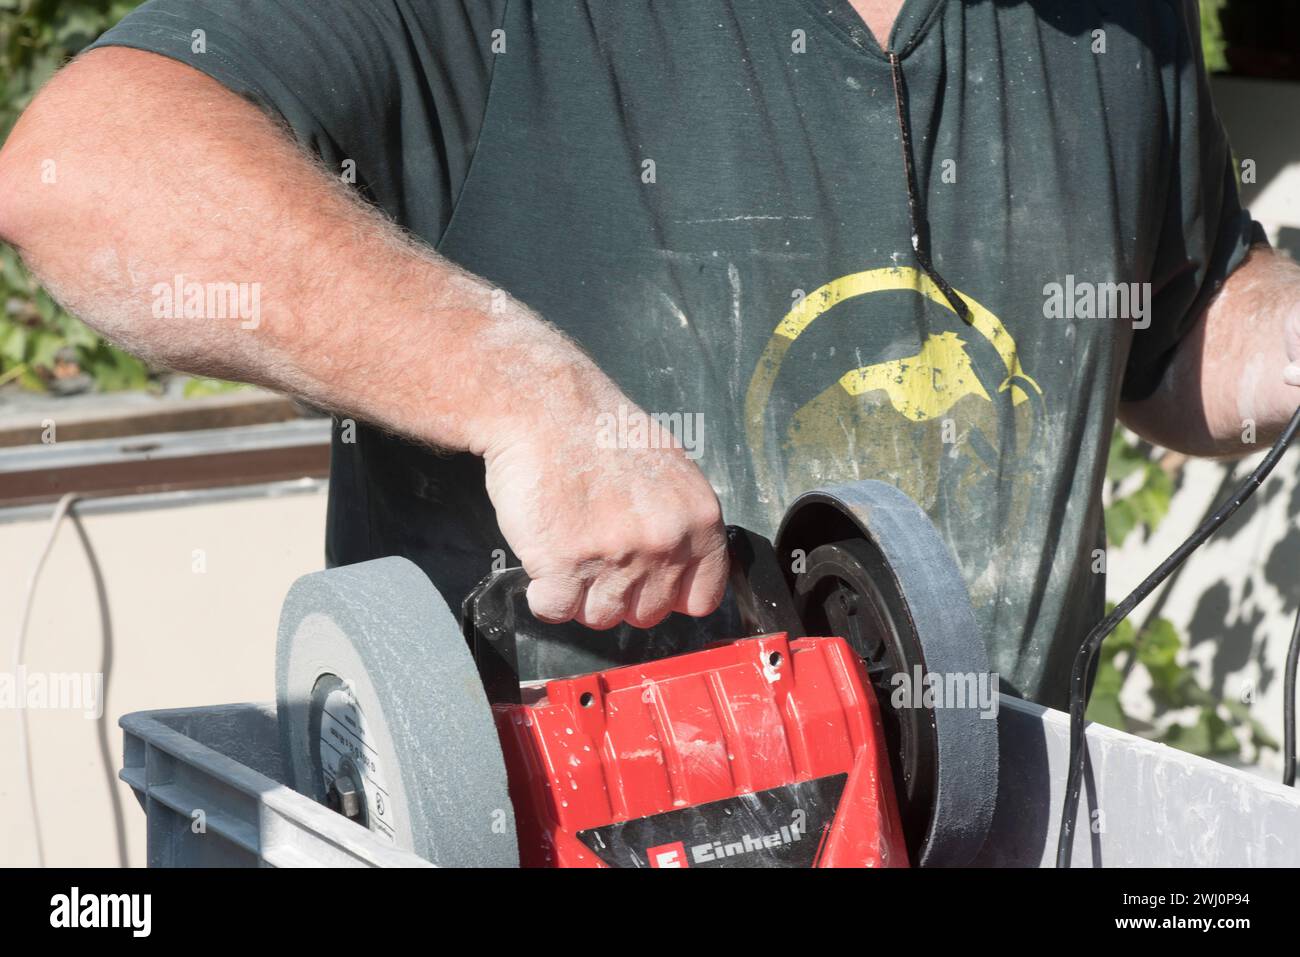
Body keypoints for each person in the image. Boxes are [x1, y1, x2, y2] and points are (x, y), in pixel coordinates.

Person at [1, 0, 1297, 707]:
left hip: (987, 815)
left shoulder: (1118, 20)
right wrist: (517, 386)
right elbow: (87, 169)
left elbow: (1170, 321)